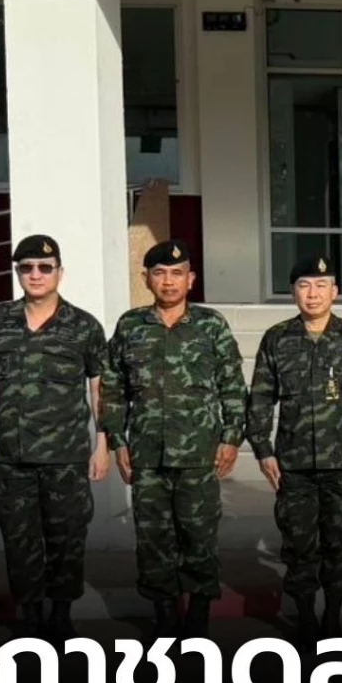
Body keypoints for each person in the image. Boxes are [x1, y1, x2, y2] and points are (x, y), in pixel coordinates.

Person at [0, 234, 111, 641]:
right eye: (26, 268)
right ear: (18, 273)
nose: (35, 275)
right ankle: (29, 614)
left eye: (45, 268)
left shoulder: (83, 326)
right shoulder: (0, 320)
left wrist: (103, 442)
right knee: (19, 539)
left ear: (59, 273)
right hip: (10, 455)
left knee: (67, 538)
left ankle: (61, 614)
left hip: (65, 456)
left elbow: (99, 388)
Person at [103, 241, 246, 641]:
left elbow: (233, 385)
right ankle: (165, 616)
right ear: (146, 278)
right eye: (160, 273)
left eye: (177, 273)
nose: (168, 281)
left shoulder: (211, 325)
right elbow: (112, 388)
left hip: (199, 454)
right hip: (147, 454)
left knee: (199, 537)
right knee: (153, 539)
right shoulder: (130, 326)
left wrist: (232, 437)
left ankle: (198, 616)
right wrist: (118, 441)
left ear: (191, 279)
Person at [245, 254, 342, 647]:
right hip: (293, 465)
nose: (313, 293)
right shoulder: (277, 338)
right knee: (298, 545)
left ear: (335, 291)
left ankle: (333, 618)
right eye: (304, 285)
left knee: (339, 543)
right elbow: (260, 398)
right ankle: (306, 618)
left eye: (321, 285)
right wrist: (262, 449)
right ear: (292, 292)